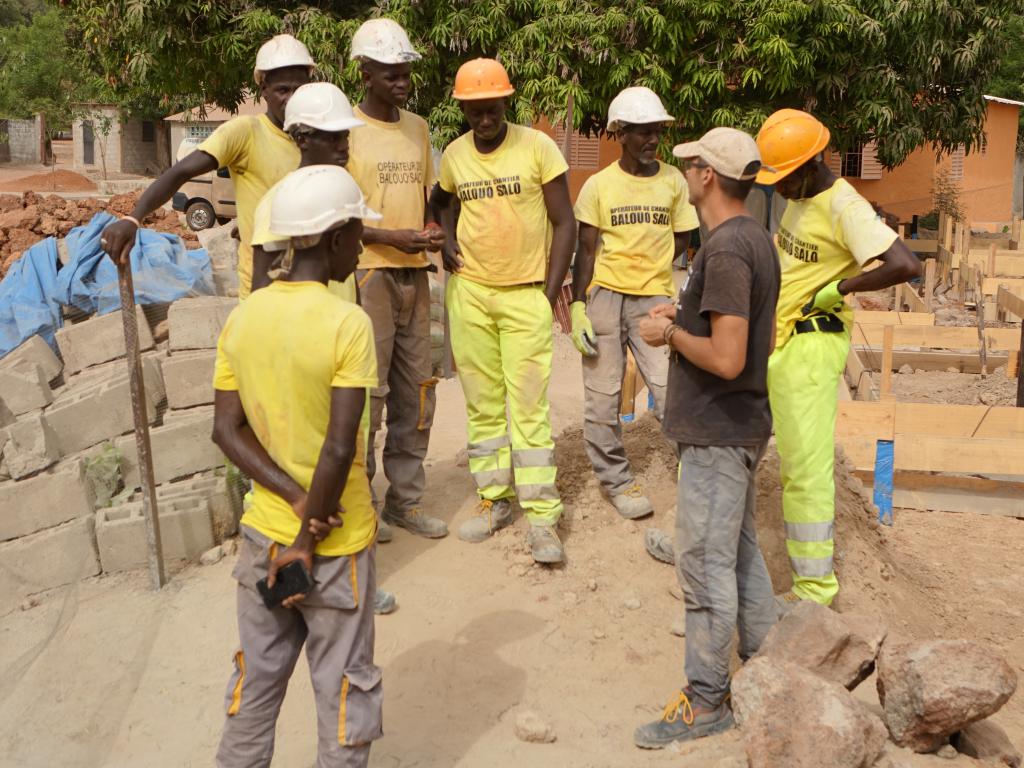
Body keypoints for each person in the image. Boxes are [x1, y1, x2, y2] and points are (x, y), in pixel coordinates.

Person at [211, 164, 383, 768]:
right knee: (342, 691)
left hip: (263, 536)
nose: (361, 246)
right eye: (358, 233)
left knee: (256, 680)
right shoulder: (346, 323)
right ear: (335, 237)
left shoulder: (244, 316)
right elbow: (340, 448)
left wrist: (289, 499)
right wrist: (310, 531)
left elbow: (225, 430)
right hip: (335, 545)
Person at [633, 127, 780, 748]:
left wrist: (670, 336)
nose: (685, 170)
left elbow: (725, 357)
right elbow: (731, 332)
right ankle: (772, 668)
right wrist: (683, 314)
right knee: (741, 552)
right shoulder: (752, 239)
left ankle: (707, 699)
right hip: (736, 428)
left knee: (703, 563)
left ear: (708, 177)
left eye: (691, 163)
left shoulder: (723, 251)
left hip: (720, 433)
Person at [755, 109, 920, 609]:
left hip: (812, 345)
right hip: (781, 340)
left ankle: (813, 592)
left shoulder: (843, 204)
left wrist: (840, 287)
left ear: (812, 164)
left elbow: (904, 263)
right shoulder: (800, 199)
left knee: (805, 466)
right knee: (765, 454)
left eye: (784, 179)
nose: (778, 189)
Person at [429, 58, 575, 563]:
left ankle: (542, 519)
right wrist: (445, 240)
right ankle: (495, 500)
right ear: (464, 109)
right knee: (483, 407)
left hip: (524, 296)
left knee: (530, 411)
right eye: (473, 111)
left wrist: (547, 291)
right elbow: (441, 201)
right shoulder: (453, 155)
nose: (483, 119)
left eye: (491, 108)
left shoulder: (538, 147)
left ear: (506, 103)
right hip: (470, 294)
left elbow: (565, 222)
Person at [100, 34, 314, 299]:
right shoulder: (246, 132)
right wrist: (134, 217)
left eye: (299, 89)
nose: (291, 98)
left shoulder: (321, 137)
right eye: (283, 90)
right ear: (264, 88)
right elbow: (180, 172)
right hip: (264, 287)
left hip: (314, 281)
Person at [570, 86, 698, 519]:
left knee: (670, 392)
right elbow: (586, 249)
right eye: (642, 133)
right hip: (605, 297)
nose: (651, 141)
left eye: (656, 133)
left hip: (655, 302)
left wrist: (660, 266)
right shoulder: (599, 185)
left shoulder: (673, 182)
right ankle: (617, 481)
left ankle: (695, 472)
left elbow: (683, 235)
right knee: (602, 398)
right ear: (619, 133)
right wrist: (577, 306)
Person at [346, 18, 448, 541]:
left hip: (417, 275)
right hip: (369, 276)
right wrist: (393, 239)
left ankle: (404, 501)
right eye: (391, 73)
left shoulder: (419, 127)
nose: (402, 82)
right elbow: (338, 218)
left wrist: (429, 231)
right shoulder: (344, 129)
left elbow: (430, 196)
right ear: (364, 72)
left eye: (405, 72)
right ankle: (359, 503)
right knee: (370, 395)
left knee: (417, 391)